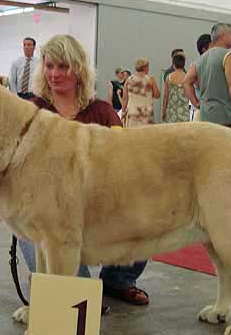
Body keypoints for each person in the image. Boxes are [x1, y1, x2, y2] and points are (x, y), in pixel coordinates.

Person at [24, 34, 149, 305]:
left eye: (63, 66)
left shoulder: (102, 111)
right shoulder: (32, 111)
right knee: (28, 228)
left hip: (100, 206)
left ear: (78, 68)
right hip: (51, 213)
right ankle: (66, 294)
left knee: (145, 213)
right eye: (49, 66)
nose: (55, 74)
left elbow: (126, 156)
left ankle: (117, 282)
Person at [183, 23, 231, 128]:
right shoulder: (228, 55)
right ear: (223, 35)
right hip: (224, 117)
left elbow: (186, 82)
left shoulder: (200, 60)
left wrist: (196, 103)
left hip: (205, 116)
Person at [121, 58, 160, 127]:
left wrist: (123, 113)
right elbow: (157, 95)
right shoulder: (150, 80)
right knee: (146, 136)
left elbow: (125, 99)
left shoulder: (129, 80)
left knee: (132, 135)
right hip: (146, 113)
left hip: (132, 113)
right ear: (145, 67)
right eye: (148, 67)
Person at [184, 33, 211, 121]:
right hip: (199, 109)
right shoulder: (197, 65)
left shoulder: (213, 64)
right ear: (204, 49)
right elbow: (187, 83)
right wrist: (196, 103)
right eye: (212, 46)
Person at [162, 53, 189, 123]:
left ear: (174, 64)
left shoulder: (169, 77)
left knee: (172, 132)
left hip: (172, 110)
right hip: (184, 111)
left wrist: (163, 111)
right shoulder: (187, 77)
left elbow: (165, 96)